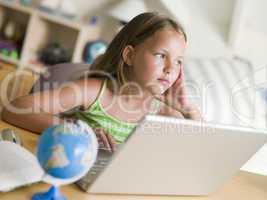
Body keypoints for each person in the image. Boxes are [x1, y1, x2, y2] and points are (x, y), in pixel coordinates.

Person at [2, 12, 201, 152]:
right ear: (130, 56)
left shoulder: (162, 111)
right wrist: (79, 132)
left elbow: (197, 153)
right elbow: (14, 109)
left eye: (178, 61)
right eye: (160, 55)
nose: (170, 68)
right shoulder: (95, 92)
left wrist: (188, 109)